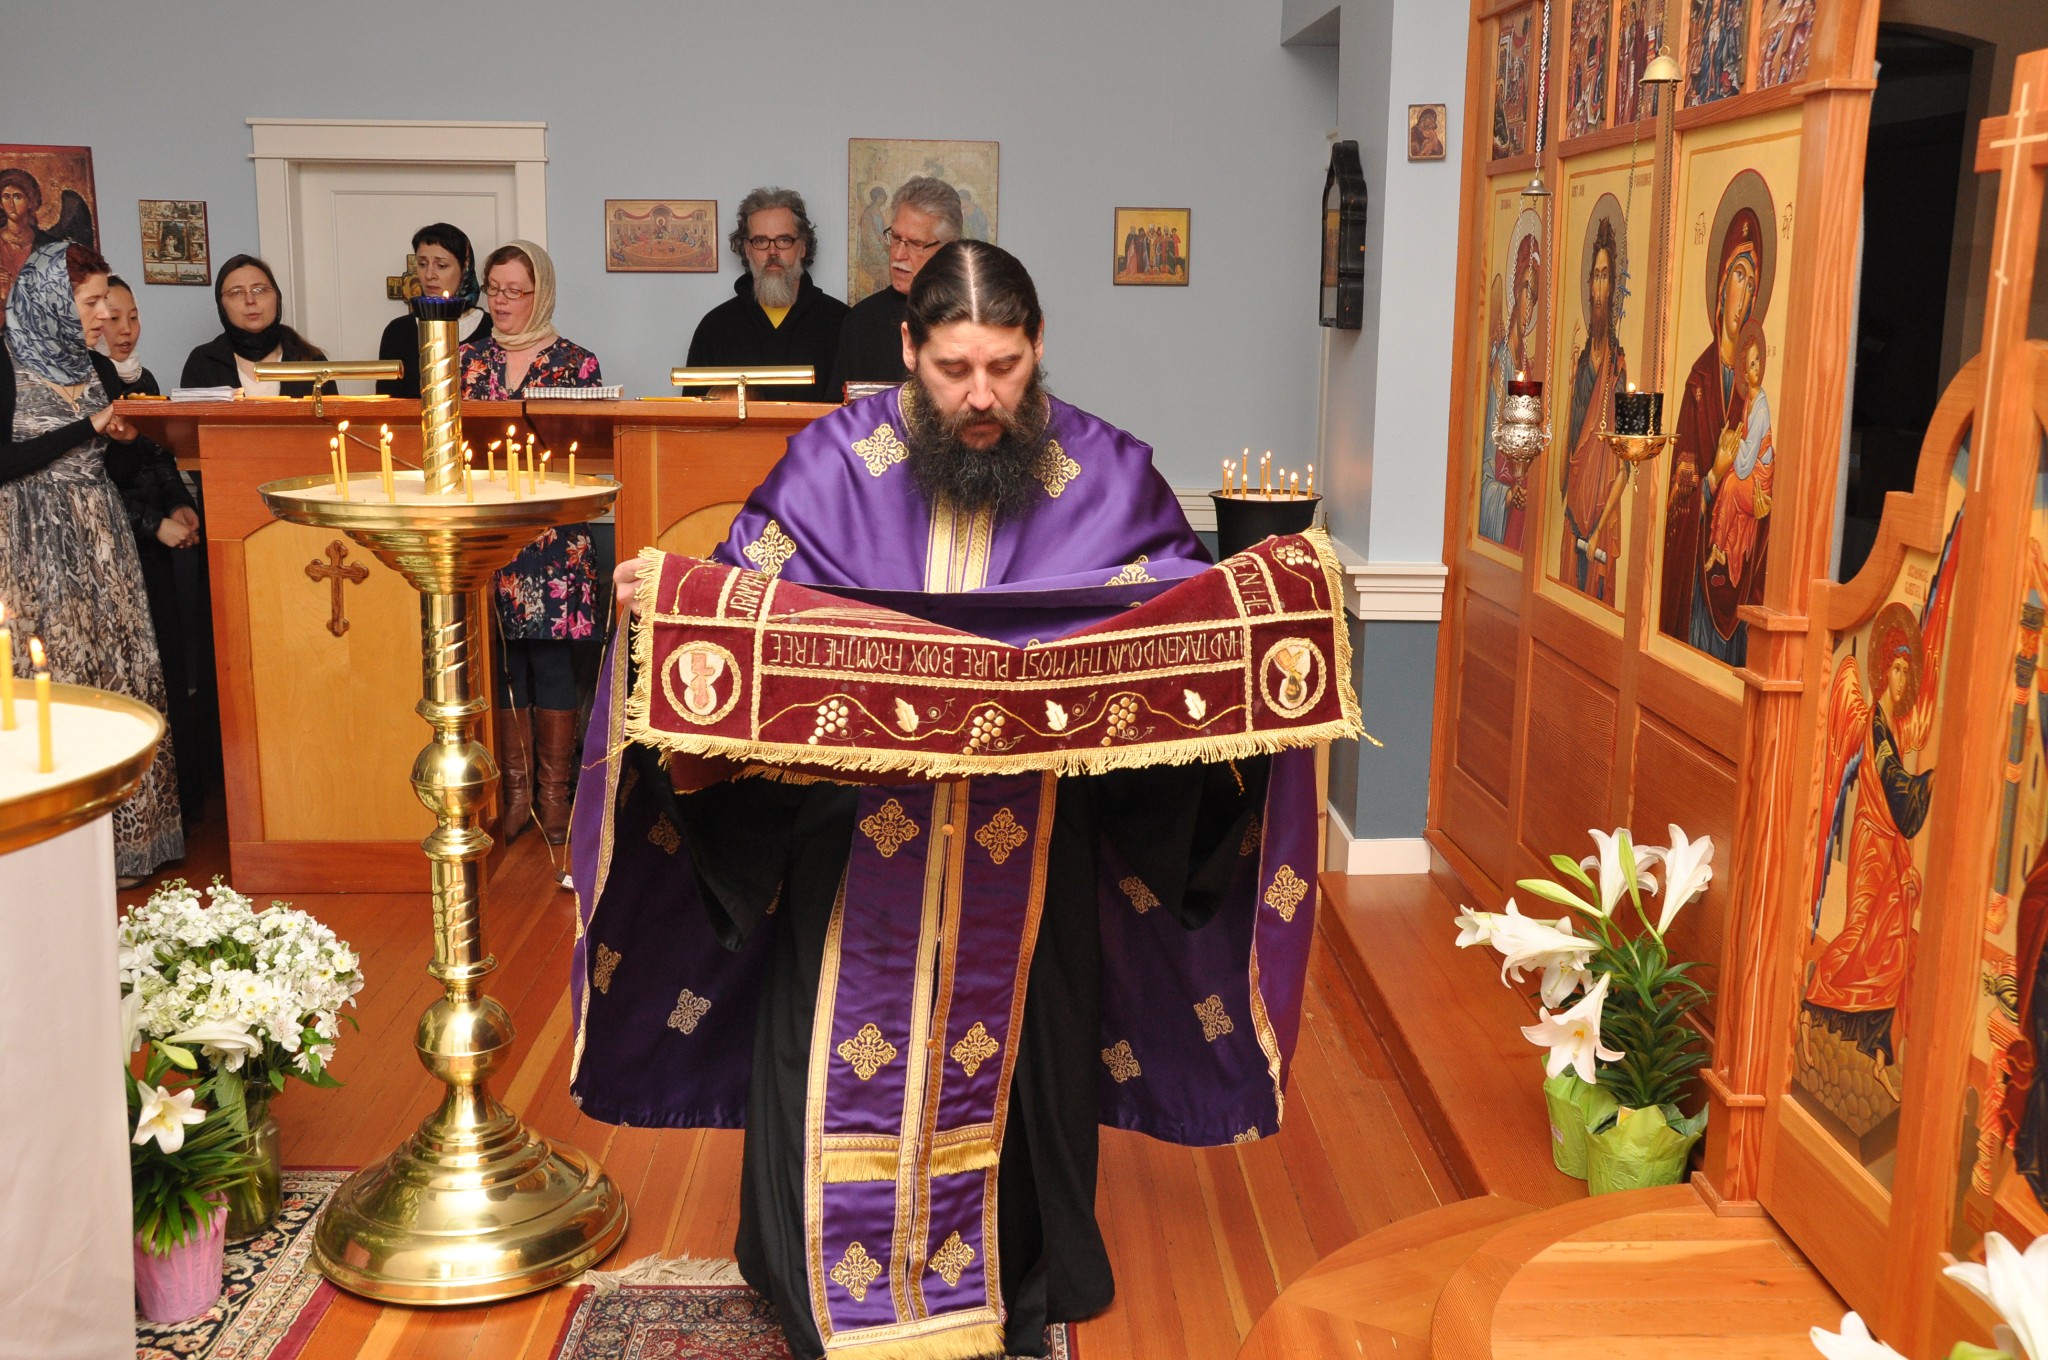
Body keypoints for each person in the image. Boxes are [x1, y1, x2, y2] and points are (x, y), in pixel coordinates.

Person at [575, 242, 1323, 1360]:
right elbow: (740, 609)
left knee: (1025, 1059)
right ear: (907, 350)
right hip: (847, 839)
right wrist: (668, 602)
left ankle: (1010, 1271)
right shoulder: (832, 463)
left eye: (1005, 368)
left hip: (1034, 844)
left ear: (1038, 349)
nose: (980, 397)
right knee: (824, 1051)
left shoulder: (1107, 473)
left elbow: (1179, 629)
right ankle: (819, 1272)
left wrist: (1272, 600)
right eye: (954, 368)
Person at [1, 242, 184, 881]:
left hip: (103, 542)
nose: (105, 314)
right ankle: (50, 858)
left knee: (119, 677)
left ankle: (132, 846)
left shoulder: (96, 366)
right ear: (52, 301)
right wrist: (89, 425)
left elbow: (120, 463)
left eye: (107, 299)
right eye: (92, 301)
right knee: (52, 682)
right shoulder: (4, 361)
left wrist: (129, 436)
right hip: (27, 543)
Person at [459, 239, 602, 847]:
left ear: (540, 294)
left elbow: (588, 452)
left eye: (516, 291)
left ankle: (554, 799)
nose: (502, 301)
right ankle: (516, 799)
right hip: (487, 533)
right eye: (494, 289)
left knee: (550, 662)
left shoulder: (577, 363)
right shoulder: (465, 361)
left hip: (554, 537)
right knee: (504, 662)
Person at [97, 276, 210, 818]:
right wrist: (153, 524)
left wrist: (179, 504)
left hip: (157, 546)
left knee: (168, 667)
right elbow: (95, 482)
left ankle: (176, 808)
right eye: (112, 318)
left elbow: (159, 456)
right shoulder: (84, 384)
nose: (125, 329)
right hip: (116, 545)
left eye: (133, 317)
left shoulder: (143, 378)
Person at [684, 188, 847, 403]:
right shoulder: (715, 328)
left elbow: (857, 413)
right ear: (747, 249)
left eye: (784, 240)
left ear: (803, 247)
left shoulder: (842, 323)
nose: (772, 252)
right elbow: (693, 415)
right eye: (761, 241)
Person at [827, 177, 961, 396]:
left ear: (949, 249)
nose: (898, 254)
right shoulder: (862, 320)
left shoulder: (975, 313)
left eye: (916, 244)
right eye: (896, 238)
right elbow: (839, 409)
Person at [1558, 215, 1627, 601]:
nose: (1599, 287)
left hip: (1599, 526)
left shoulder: (1618, 367)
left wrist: (1600, 528)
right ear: (1589, 287)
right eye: (1595, 277)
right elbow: (1566, 464)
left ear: (1613, 288)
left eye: (1606, 277)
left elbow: (1626, 466)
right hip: (1573, 522)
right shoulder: (1583, 363)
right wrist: (1571, 385)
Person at [180, 254, 329, 395]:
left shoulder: (310, 359)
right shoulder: (202, 362)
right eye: (236, 292)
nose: (250, 300)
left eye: (259, 290)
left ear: (277, 297)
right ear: (221, 305)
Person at [377, 223, 491, 397]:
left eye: (442, 266)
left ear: (464, 268)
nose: (429, 275)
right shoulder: (399, 331)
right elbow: (387, 402)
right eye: (422, 264)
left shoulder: (491, 328)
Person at [1705, 323, 1772, 584]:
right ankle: (1719, 548)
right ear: (1743, 372)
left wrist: (1730, 439)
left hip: (1760, 480)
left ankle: (1718, 547)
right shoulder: (1749, 400)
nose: (1756, 368)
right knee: (1729, 481)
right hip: (1751, 469)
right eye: (1751, 364)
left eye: (1758, 362)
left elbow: (1746, 461)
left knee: (1731, 482)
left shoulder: (1761, 408)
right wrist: (1731, 439)